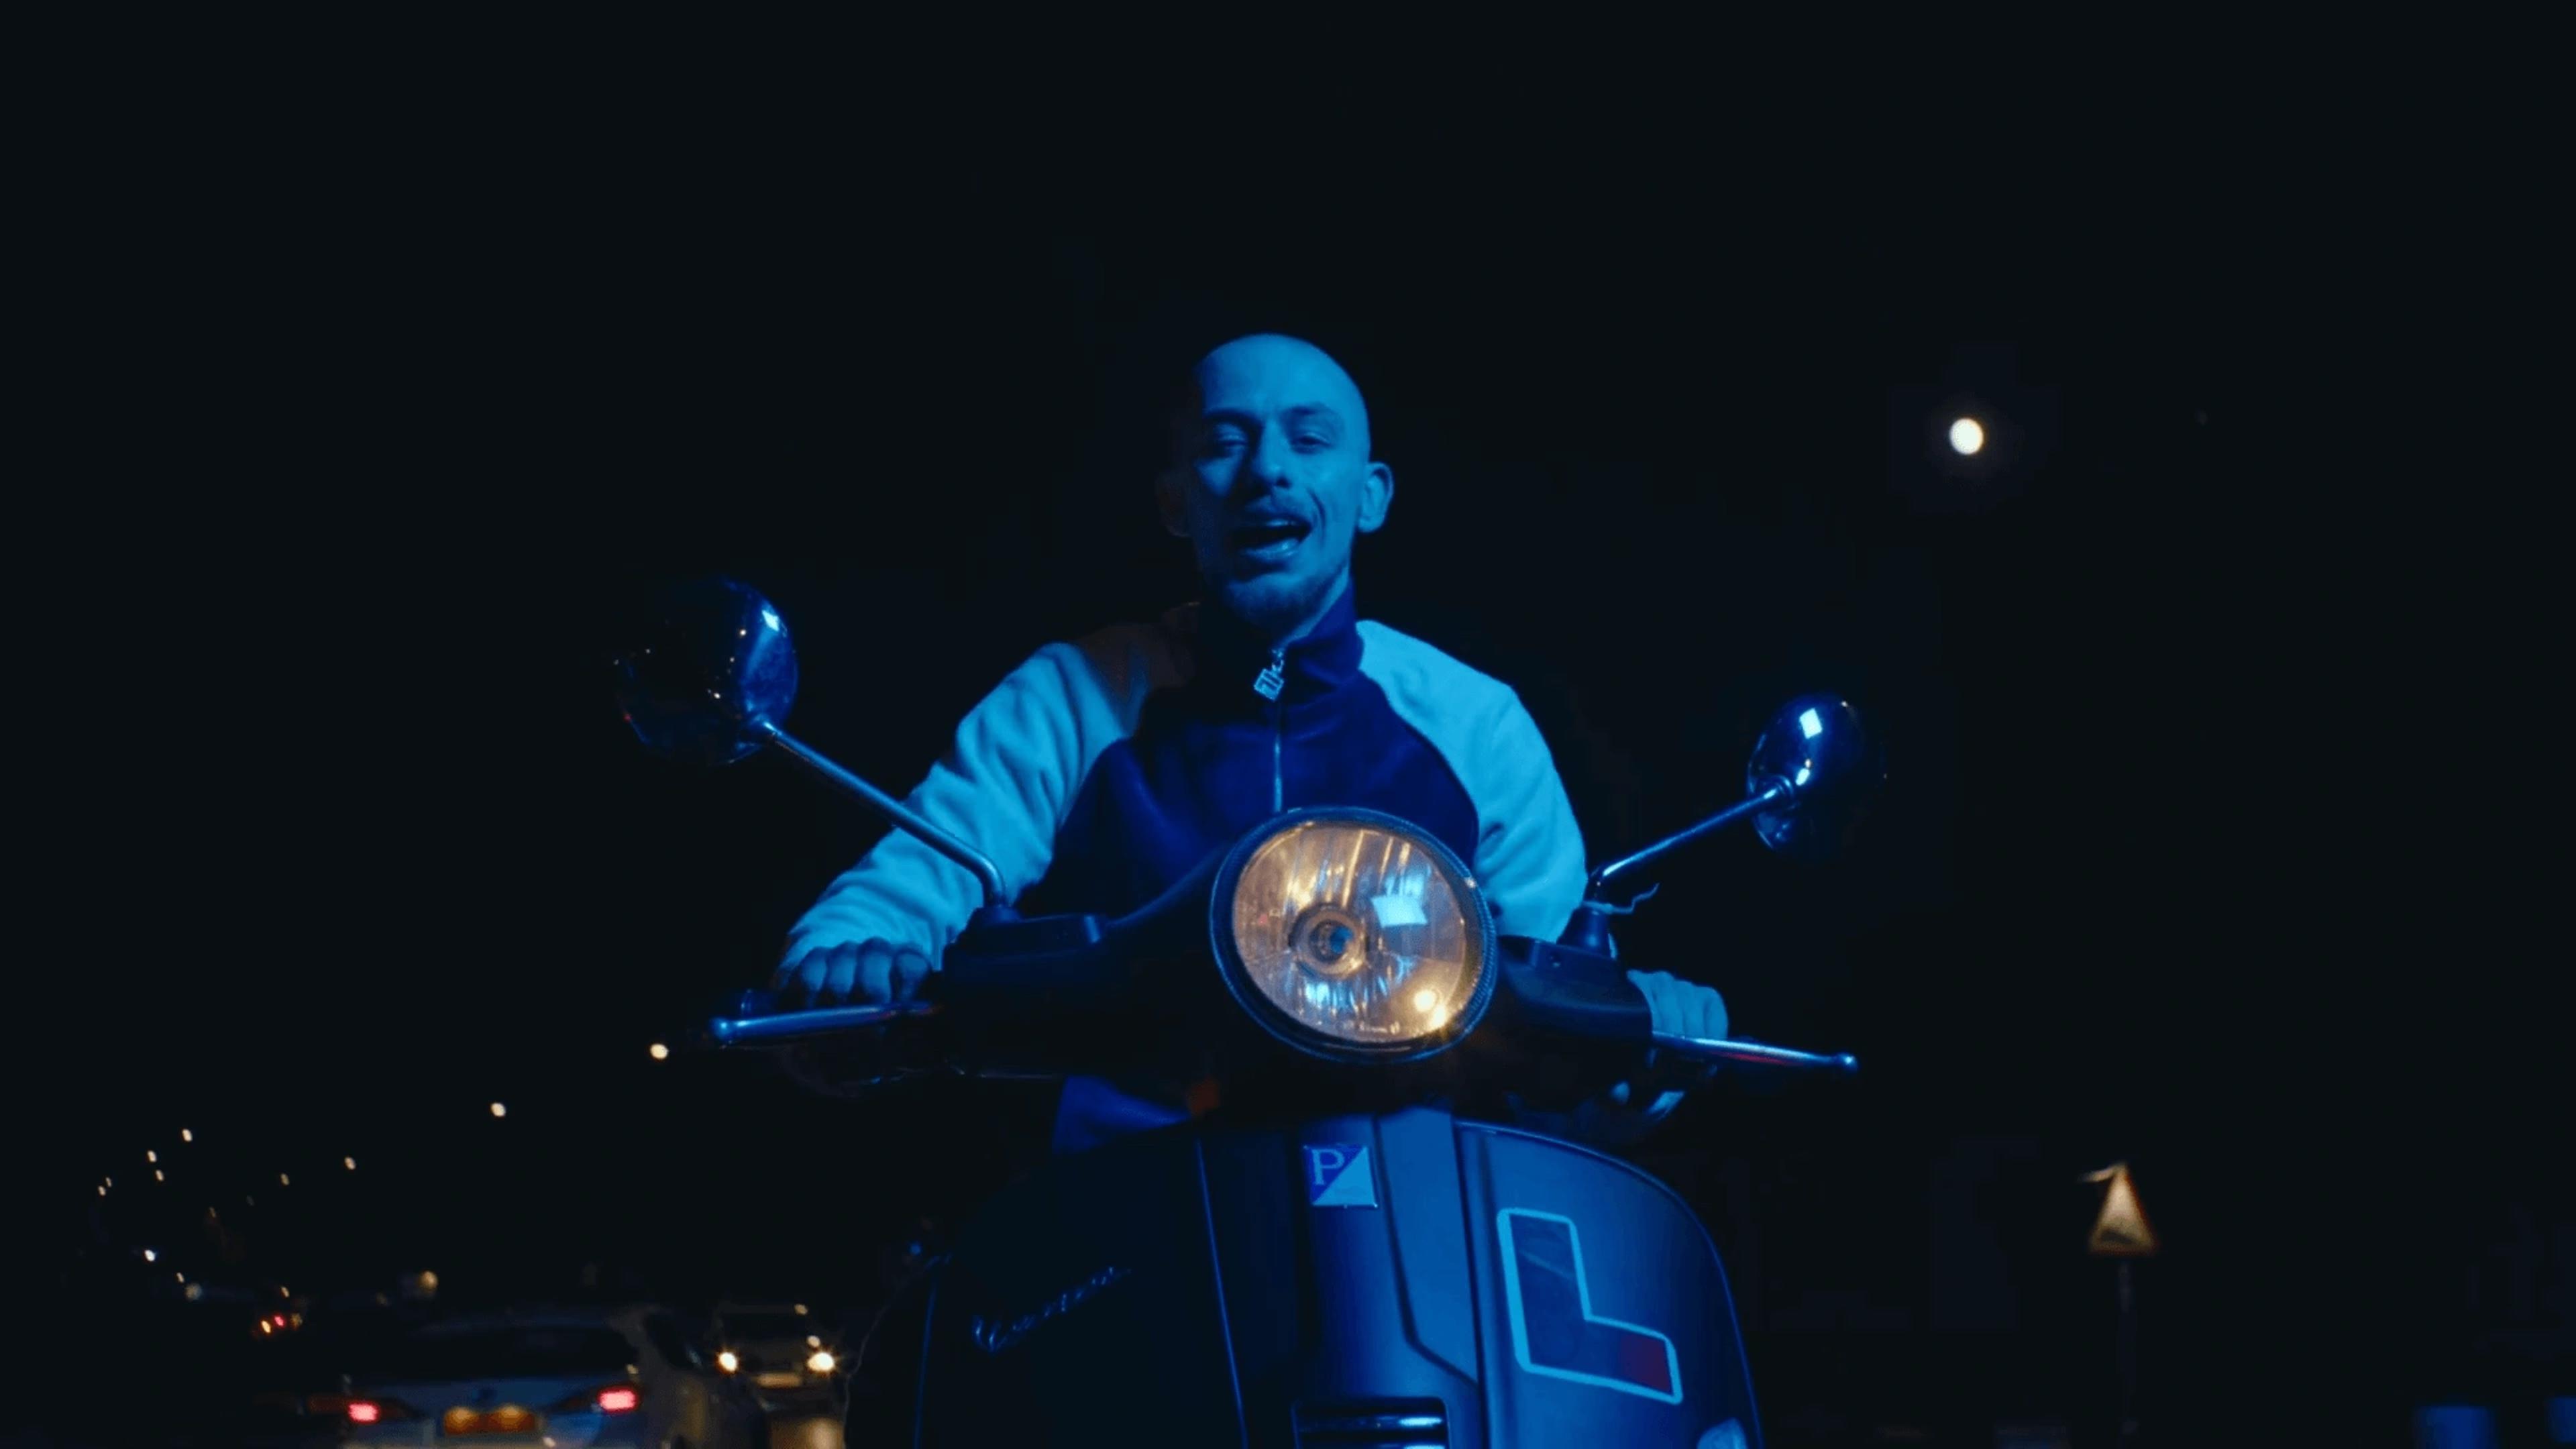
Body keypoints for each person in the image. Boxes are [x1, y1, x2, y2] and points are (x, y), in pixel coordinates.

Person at [773, 333, 1728, 1152]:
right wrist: (856, 952)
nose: (1268, 468)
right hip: (1127, 1225)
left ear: (1370, 495)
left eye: (1310, 441)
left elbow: (1556, 998)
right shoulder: (1073, 695)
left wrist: (1644, 1042)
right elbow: (918, 872)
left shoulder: (1474, 722)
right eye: (1224, 442)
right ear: (1177, 502)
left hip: (1419, 1225)